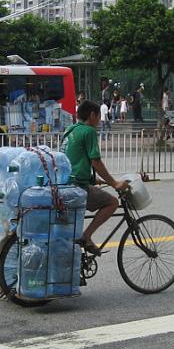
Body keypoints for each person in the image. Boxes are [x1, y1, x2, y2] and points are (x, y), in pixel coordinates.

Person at [62, 101, 129, 255]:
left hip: (66, 183)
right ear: (92, 115)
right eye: (99, 116)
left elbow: (75, 158)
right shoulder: (88, 131)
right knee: (112, 202)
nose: (99, 121)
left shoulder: (70, 129)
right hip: (77, 186)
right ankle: (86, 236)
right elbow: (96, 162)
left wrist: (93, 179)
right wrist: (114, 184)